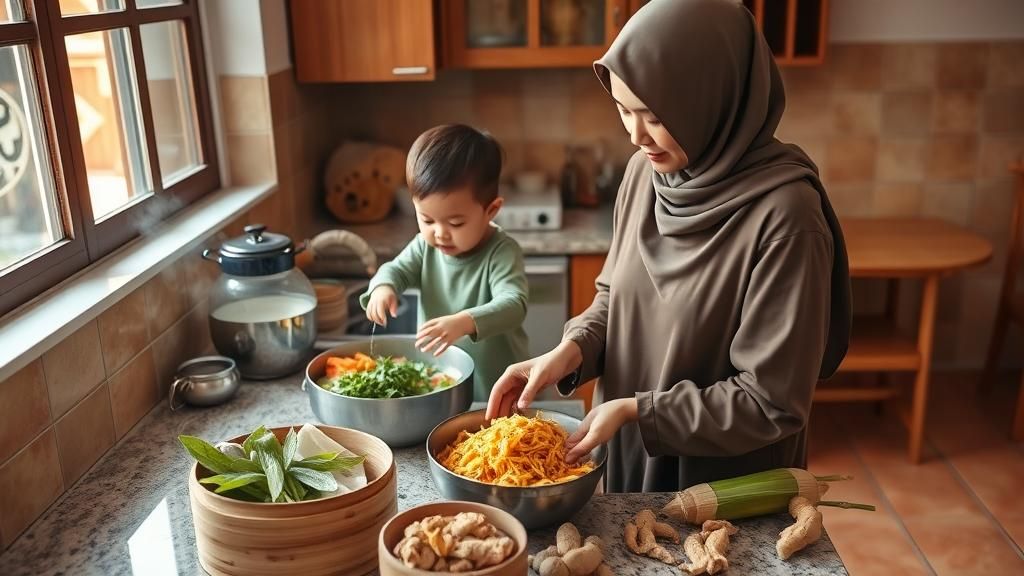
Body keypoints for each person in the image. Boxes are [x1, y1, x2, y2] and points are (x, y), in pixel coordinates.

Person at [486, 0, 851, 492]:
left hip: (721, 489)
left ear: (712, 101)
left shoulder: (787, 219)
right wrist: (569, 351)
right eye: (622, 110)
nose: (636, 135)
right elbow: (616, 298)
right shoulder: (647, 174)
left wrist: (640, 410)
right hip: (628, 456)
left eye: (654, 116)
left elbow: (770, 401)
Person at [362, 124, 529, 402]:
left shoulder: (501, 251)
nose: (439, 233)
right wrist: (383, 287)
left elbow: (514, 304)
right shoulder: (425, 246)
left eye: (455, 222)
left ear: (491, 210)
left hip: (496, 389)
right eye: (427, 220)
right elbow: (396, 269)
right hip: (441, 383)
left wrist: (464, 322)